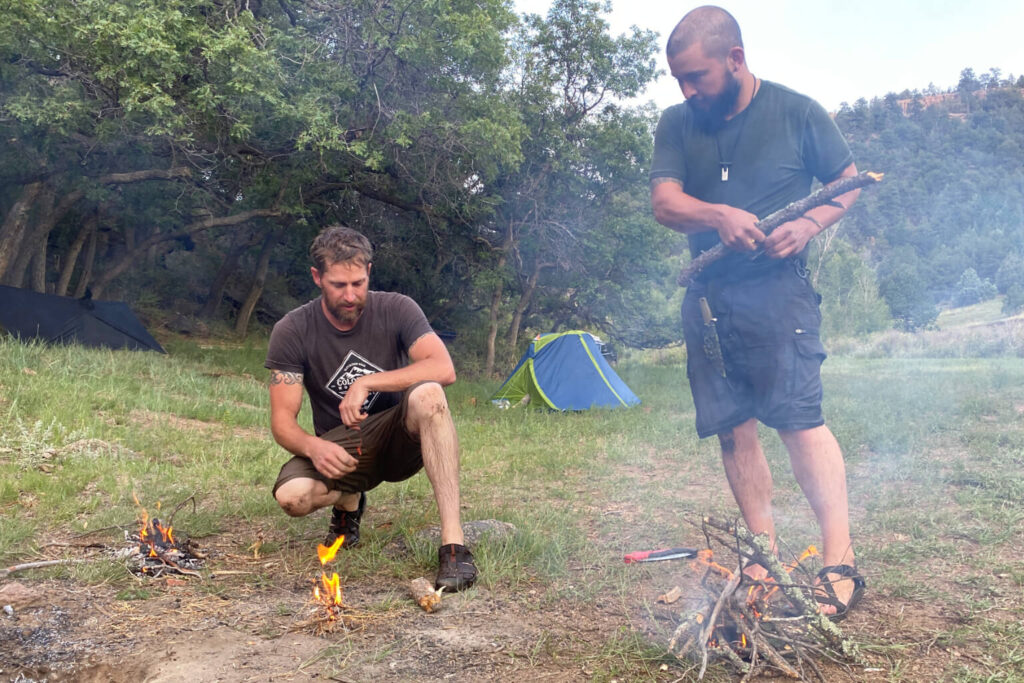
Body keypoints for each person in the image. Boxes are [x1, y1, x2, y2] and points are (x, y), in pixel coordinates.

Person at [649, 6, 865, 619]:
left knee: (799, 421)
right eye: (679, 79)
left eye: (697, 76)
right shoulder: (676, 122)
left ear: (735, 60)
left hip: (779, 295)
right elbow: (665, 202)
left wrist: (806, 223)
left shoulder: (796, 111)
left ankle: (839, 562)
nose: (688, 90)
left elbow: (846, 182)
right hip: (709, 299)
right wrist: (717, 215)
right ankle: (760, 557)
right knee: (733, 426)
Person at [265, 226, 477, 592]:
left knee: (430, 394)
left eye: (358, 283)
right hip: (342, 444)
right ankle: (348, 504)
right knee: (292, 496)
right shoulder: (293, 329)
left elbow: (443, 368)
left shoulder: (397, 308)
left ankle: (453, 547)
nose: (350, 295)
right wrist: (316, 448)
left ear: (369, 273)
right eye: (338, 285)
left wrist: (366, 382)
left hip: (400, 435)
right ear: (317, 277)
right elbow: (283, 422)